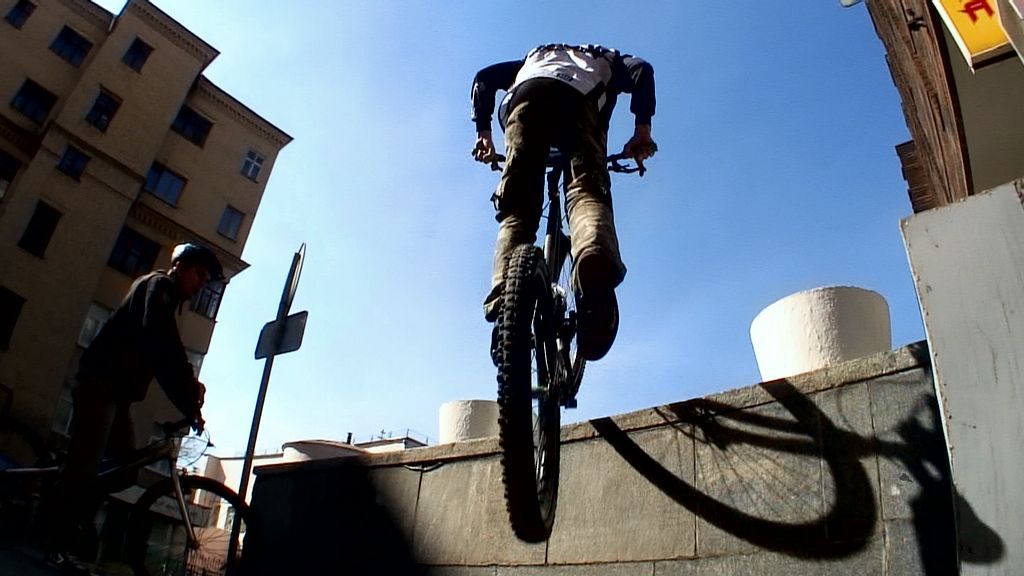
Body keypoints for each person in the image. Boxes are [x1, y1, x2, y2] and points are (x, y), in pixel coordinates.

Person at [471, 43, 657, 361]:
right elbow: (642, 70)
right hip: (578, 101)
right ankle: (592, 259)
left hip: (525, 97)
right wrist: (642, 131)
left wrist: (484, 134)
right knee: (585, 191)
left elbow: (483, 79)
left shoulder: (533, 57)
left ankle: (505, 301)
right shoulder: (607, 58)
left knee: (517, 210)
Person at [45, 242, 222, 575]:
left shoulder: (167, 300)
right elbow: (161, 344)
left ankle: (72, 504)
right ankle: (57, 541)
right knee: (85, 468)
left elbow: (165, 350)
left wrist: (188, 397)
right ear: (180, 266)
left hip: (119, 395)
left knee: (125, 470)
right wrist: (187, 393)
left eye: (206, 279)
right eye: (199, 274)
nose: (202, 284)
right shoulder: (156, 288)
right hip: (100, 383)